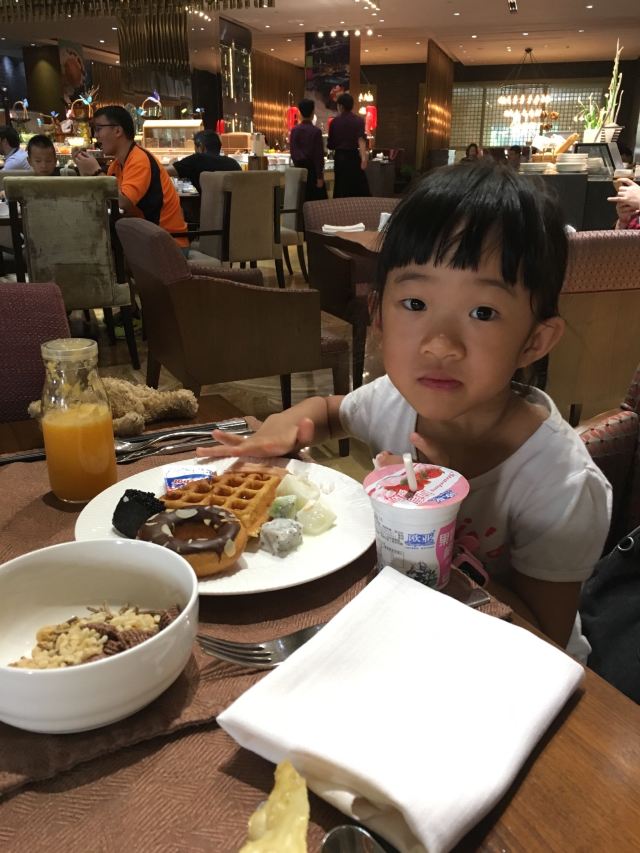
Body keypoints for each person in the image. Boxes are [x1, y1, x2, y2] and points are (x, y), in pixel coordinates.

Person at [198, 162, 611, 660]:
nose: (439, 344)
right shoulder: (394, 401)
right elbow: (329, 411)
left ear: (535, 341)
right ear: (378, 315)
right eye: (415, 303)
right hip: (406, 632)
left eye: (483, 312)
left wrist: (434, 523)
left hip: (508, 667)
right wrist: (288, 424)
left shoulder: (560, 483)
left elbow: (544, 638)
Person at [72, 105, 188, 249]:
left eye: (99, 129)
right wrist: (85, 172)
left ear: (117, 131)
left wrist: (96, 171)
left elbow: (122, 203)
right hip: (144, 239)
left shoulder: (139, 160)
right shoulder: (116, 165)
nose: (96, 135)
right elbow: (106, 203)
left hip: (168, 243)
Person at [165, 129, 241, 194]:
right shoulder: (234, 163)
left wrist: (172, 163)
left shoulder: (196, 159)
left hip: (207, 206)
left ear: (201, 147)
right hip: (235, 206)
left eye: (195, 148)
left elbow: (164, 172)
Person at [327, 92, 370, 198]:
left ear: (341, 106)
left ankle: (340, 206)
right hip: (354, 157)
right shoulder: (359, 121)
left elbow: (331, 144)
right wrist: (364, 158)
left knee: (340, 187)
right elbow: (361, 140)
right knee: (355, 187)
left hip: (340, 158)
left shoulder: (334, 122)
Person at [289, 98, 327, 202]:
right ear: (312, 113)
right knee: (316, 204)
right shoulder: (316, 131)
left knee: (300, 202)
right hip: (313, 173)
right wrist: (320, 176)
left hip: (299, 172)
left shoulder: (294, 131)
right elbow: (318, 156)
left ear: (299, 113)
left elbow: (293, 152)